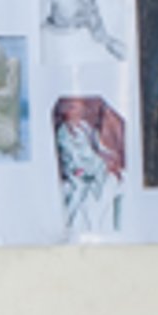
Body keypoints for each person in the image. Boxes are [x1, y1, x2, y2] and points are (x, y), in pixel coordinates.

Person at [54, 97, 125, 236]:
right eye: (72, 108)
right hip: (78, 173)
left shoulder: (84, 127)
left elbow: (96, 147)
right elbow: (70, 159)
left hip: (93, 166)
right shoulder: (63, 133)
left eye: (77, 108)